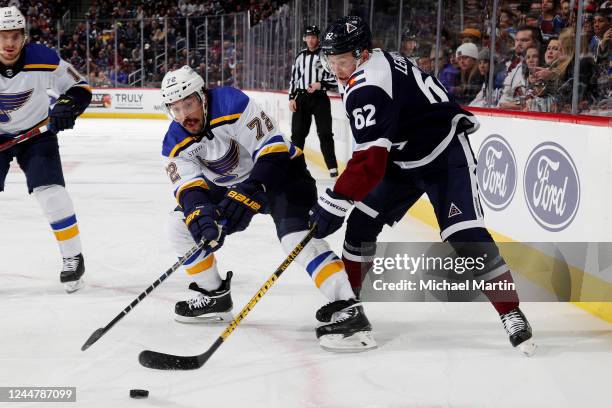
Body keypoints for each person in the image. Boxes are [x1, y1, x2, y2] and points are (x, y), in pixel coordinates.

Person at [310, 16, 536, 355]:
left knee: (465, 236)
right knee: (360, 224)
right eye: (331, 61)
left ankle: (512, 313)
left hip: (443, 154)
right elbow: (374, 152)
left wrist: (336, 201)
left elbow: (369, 163)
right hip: (400, 158)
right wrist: (343, 202)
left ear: (363, 55)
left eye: (342, 61)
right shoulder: (368, 63)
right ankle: (350, 307)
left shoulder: (369, 84)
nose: (337, 69)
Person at [160, 65, 375, 352]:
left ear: (202, 96)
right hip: (226, 185)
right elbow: (188, 189)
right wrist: (201, 213)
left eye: (189, 104)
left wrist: (250, 191)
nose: (185, 115)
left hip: (280, 173)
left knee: (295, 239)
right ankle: (214, 295)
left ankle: (348, 307)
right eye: (176, 109)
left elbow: (271, 148)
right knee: (180, 225)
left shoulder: (230, 103)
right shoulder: (174, 141)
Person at [0, 6, 92, 293]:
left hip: (35, 135)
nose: (9, 43)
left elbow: (80, 86)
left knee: (50, 191)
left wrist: (68, 106)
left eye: (15, 36)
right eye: (3, 36)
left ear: (24, 37)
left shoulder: (43, 59)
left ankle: (72, 256)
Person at [288, 25, 339, 179]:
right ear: (305, 38)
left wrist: (320, 84)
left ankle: (332, 167)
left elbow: (335, 78)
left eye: (313, 37)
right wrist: (291, 98)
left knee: (324, 133)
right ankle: (294, 167)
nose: (310, 40)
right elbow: (294, 79)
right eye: (308, 37)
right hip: (301, 98)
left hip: (319, 99)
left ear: (318, 38)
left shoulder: (326, 56)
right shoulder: (300, 56)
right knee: (297, 135)